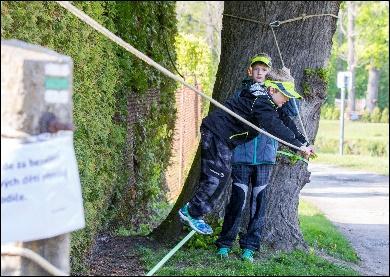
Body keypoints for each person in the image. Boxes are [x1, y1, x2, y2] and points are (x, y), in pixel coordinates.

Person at [178, 53, 315, 238]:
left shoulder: (270, 103)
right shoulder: (261, 102)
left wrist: (303, 144)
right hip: (216, 132)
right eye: (285, 95)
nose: (288, 100)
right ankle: (192, 211)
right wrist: (298, 146)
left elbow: (286, 123)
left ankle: (194, 211)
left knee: (221, 174)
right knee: (216, 175)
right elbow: (274, 127)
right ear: (273, 90)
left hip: (224, 138)